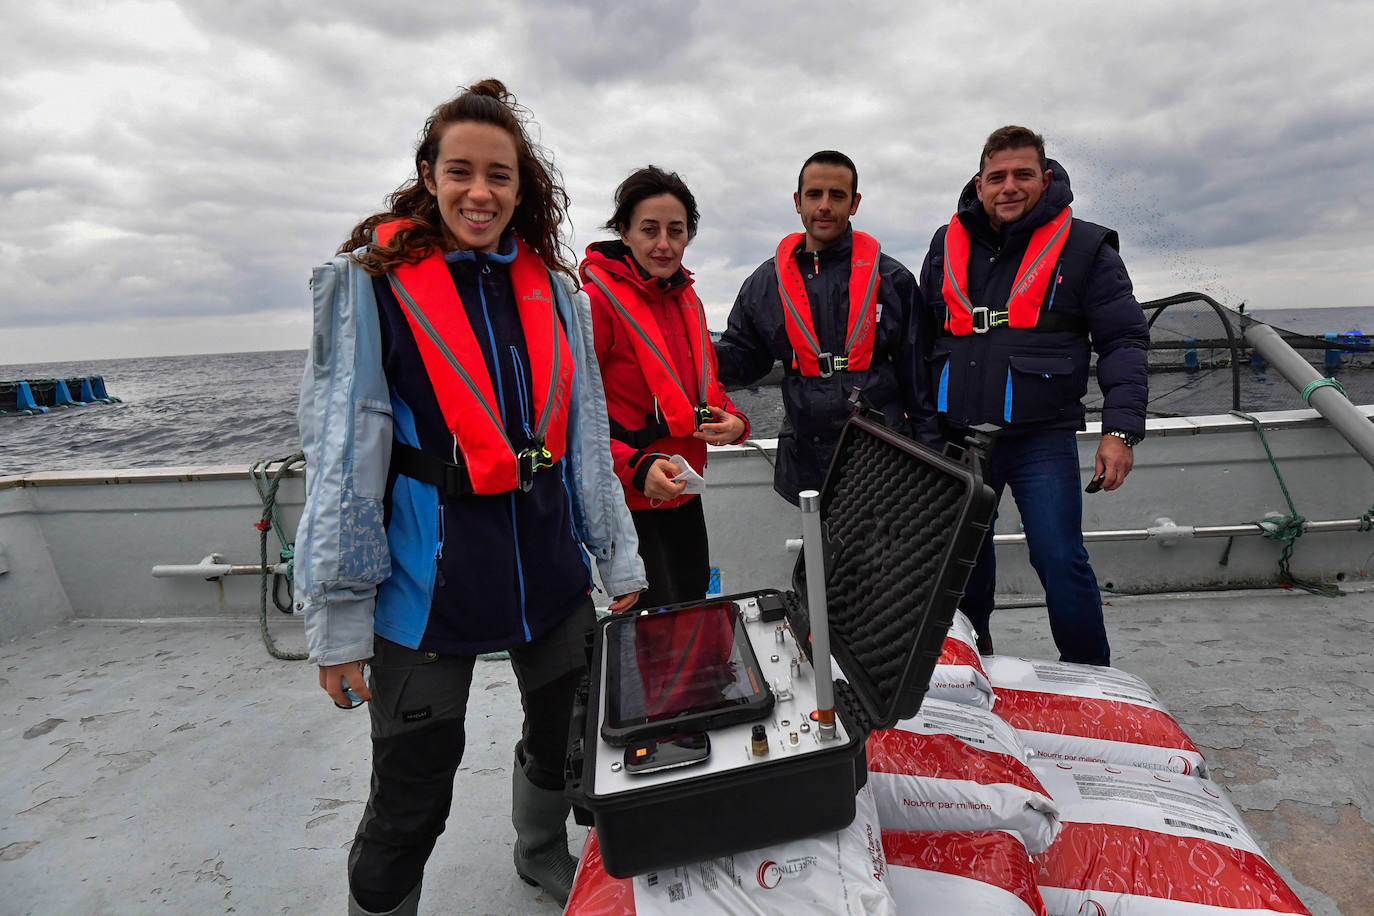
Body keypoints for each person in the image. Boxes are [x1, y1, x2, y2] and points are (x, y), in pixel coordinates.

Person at [293, 79, 646, 915]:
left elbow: (585, 441)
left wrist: (616, 554)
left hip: (551, 571)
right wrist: (338, 620)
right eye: (461, 171)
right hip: (426, 588)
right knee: (412, 789)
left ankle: (537, 850)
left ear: (523, 191)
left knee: (567, 743)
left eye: (501, 176)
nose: (480, 193)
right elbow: (341, 458)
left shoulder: (559, 294)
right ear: (429, 174)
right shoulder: (371, 289)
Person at [916, 125, 1149, 666]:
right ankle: (975, 662)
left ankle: (1092, 676)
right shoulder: (944, 243)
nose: (1009, 187)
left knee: (1060, 557)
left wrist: (1119, 431)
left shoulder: (1088, 246)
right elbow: (919, 337)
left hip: (1041, 437)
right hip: (961, 435)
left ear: (1045, 180)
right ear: (979, 184)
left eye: (1023, 174)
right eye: (996, 177)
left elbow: (1124, 340)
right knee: (962, 559)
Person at [714, 150, 926, 504]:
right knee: (820, 556)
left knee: (886, 558)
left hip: (884, 460)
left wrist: (930, 453)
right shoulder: (765, 284)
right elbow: (744, 358)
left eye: (837, 195)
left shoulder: (893, 280)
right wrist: (689, 352)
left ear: (854, 203)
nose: (824, 205)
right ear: (798, 202)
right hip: (807, 460)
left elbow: (920, 378)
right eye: (814, 195)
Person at [582, 166, 749, 609]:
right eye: (649, 229)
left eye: (676, 231)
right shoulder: (595, 303)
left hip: (684, 494)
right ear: (624, 231)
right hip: (630, 501)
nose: (663, 244)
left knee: (690, 607)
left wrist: (736, 422)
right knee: (647, 634)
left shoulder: (688, 300)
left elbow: (707, 389)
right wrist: (634, 466)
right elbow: (575, 420)